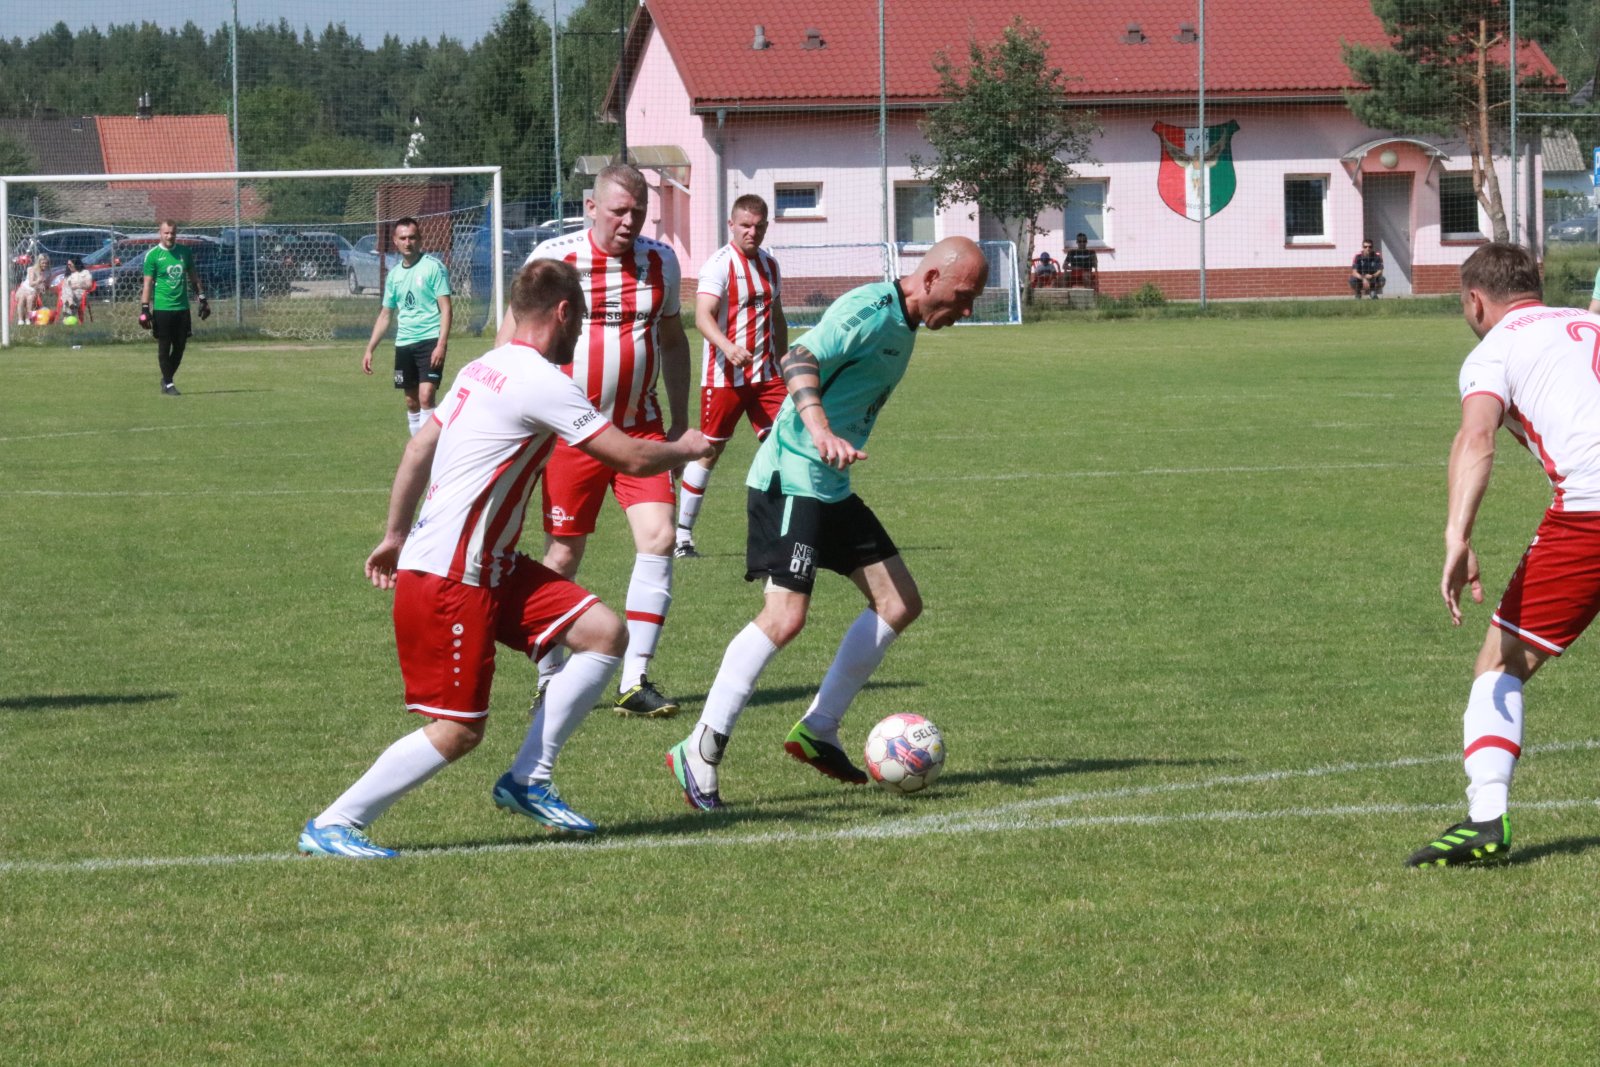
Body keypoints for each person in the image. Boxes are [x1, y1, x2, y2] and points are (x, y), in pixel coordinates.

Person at [298, 259, 714, 859]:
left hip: (490, 563)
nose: (582, 335)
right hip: (452, 574)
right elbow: (628, 457)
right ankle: (335, 822)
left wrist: (393, 533)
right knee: (460, 729)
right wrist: (687, 447)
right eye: (582, 321)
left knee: (602, 633)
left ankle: (528, 780)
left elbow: (419, 446)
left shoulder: (481, 367)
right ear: (564, 314)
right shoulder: (540, 379)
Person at [666, 236, 989, 810]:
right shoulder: (868, 310)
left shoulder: (906, 324)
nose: (965, 312)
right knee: (784, 617)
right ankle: (700, 748)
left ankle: (818, 729)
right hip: (791, 477)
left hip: (830, 485)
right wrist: (817, 428)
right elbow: (798, 357)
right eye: (963, 297)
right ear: (933, 276)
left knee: (899, 603)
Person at [1406, 242, 1600, 868]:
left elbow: (1477, 436)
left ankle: (1486, 820)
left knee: (1499, 665)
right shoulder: (1589, 322)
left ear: (1474, 300)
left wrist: (1457, 536)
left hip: (1592, 510)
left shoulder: (1493, 351)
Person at [496, 163, 693, 718]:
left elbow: (674, 341)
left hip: (640, 428)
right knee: (562, 555)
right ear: (591, 208)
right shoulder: (557, 262)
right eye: (618, 211)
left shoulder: (662, 262)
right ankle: (550, 676)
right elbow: (509, 343)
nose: (629, 222)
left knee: (658, 540)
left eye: (638, 212)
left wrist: (679, 420)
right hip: (570, 436)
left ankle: (635, 680)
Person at [673, 194, 788, 559]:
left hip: (767, 377)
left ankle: (783, 534)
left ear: (766, 226)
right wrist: (727, 346)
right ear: (732, 226)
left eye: (759, 226)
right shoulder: (718, 265)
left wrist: (784, 359)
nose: (752, 232)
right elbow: (703, 315)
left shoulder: (771, 265)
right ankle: (682, 537)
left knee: (788, 446)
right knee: (709, 451)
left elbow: (778, 316)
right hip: (724, 377)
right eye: (745, 226)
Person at [361, 217, 453, 435]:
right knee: (412, 402)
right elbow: (385, 314)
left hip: (430, 340)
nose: (408, 242)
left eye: (412, 237)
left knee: (426, 396)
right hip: (404, 344)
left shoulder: (434, 268)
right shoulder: (394, 276)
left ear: (420, 239)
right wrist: (370, 348)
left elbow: (447, 309)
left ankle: (428, 454)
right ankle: (418, 449)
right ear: (395, 241)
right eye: (403, 238)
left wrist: (441, 344)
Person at [140, 220, 209, 396]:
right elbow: (147, 284)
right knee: (164, 346)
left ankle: (166, 378)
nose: (169, 236)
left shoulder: (184, 253)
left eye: (172, 233)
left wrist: (203, 299)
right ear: (160, 233)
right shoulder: (153, 255)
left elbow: (194, 278)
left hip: (182, 308)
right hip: (163, 309)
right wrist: (145, 309)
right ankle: (169, 383)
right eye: (166, 233)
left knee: (180, 347)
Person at [15, 254, 48, 325]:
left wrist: (43, 288)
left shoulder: (47, 273)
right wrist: (38, 281)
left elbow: (44, 286)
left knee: (30, 299)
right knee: (22, 298)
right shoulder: (32, 269)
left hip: (33, 291)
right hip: (24, 289)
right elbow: (31, 283)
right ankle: (20, 320)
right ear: (39, 263)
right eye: (43, 263)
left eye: (46, 263)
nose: (45, 265)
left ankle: (27, 319)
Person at [59, 257, 94, 322]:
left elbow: (89, 285)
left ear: (76, 264)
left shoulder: (85, 272)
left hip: (80, 292)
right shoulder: (68, 275)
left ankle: (67, 317)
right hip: (67, 294)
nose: (69, 266)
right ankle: (70, 302)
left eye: (70, 265)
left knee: (67, 292)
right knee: (67, 288)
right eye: (68, 265)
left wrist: (78, 285)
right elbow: (63, 287)